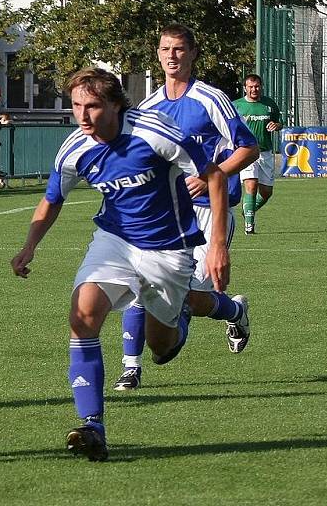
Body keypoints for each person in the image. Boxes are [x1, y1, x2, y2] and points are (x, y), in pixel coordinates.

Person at [11, 67, 229, 461]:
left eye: (92, 106)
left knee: (160, 348)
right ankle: (92, 426)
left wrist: (217, 247)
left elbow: (213, 177)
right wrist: (30, 246)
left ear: (114, 104)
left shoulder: (154, 132)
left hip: (168, 248)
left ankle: (182, 312)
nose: (82, 115)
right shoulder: (75, 148)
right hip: (114, 240)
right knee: (82, 316)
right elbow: (53, 197)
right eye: (76, 105)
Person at [113, 23, 259, 392]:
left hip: (210, 212)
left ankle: (234, 310)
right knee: (138, 282)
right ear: (158, 54)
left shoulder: (210, 99)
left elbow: (248, 148)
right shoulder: (148, 107)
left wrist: (212, 174)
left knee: (185, 300)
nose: (172, 56)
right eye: (165, 49)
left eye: (179, 49)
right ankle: (131, 367)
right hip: (165, 217)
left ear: (193, 53)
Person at [234, 74, 282, 235]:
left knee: (266, 193)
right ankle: (249, 225)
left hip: (265, 152)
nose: (254, 89)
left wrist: (276, 125)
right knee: (251, 184)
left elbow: (279, 122)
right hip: (245, 151)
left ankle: (249, 210)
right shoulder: (236, 106)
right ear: (245, 88)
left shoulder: (269, 104)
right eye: (250, 87)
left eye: (257, 86)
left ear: (261, 86)